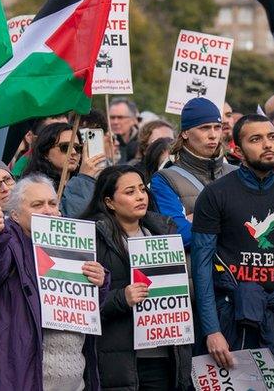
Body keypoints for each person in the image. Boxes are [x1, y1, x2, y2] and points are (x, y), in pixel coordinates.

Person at [191, 114, 274, 389]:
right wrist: (212, 329)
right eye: (256, 139)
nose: (267, 144)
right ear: (237, 149)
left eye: (271, 137)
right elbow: (201, 266)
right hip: (233, 321)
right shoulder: (215, 195)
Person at [0, 174, 107, 390]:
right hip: (19, 377)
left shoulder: (73, 245)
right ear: (14, 215)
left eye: (52, 203)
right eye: (37, 205)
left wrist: (99, 282)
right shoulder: (6, 243)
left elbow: (87, 311)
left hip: (73, 379)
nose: (48, 210)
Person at [80, 166, 192, 390]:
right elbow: (81, 307)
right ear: (109, 201)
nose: (140, 196)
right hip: (118, 362)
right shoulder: (92, 239)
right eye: (130, 192)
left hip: (164, 357)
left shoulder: (164, 231)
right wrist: (122, 298)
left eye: (142, 189)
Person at [150, 98, 235, 247]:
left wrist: (199, 219)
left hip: (236, 268)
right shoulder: (165, 179)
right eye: (204, 128)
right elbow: (179, 234)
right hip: (196, 268)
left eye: (217, 127)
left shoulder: (238, 173)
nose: (213, 135)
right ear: (185, 133)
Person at [23, 121, 105, 217]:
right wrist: (84, 179)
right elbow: (64, 216)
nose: (74, 152)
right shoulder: (35, 184)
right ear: (45, 153)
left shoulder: (89, 181)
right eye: (65, 147)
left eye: (78, 148)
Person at [109, 97, 141, 163]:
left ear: (133, 120)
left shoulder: (142, 143)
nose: (115, 122)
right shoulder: (103, 143)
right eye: (112, 117)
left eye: (120, 117)